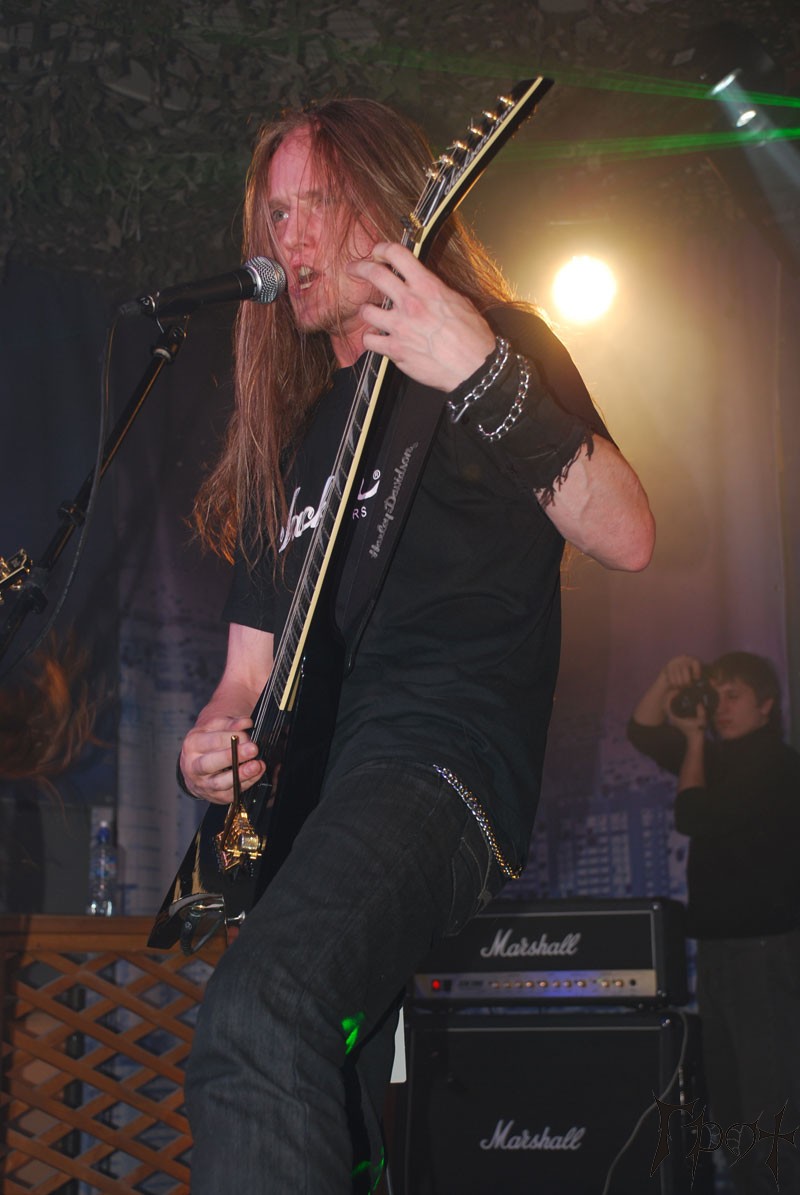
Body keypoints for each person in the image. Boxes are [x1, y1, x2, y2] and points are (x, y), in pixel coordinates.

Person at [179, 96, 655, 1194]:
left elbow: (628, 534)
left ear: (393, 207)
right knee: (332, 1108)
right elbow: (243, 678)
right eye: (276, 214)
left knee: (259, 1011)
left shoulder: (495, 346)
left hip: (438, 766)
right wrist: (210, 743)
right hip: (314, 803)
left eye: (318, 205)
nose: (290, 237)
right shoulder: (298, 440)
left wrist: (479, 367)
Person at [628, 652, 800, 1194]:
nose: (720, 707)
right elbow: (642, 730)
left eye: (734, 696)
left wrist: (695, 741)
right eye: (715, 694)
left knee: (769, 1106)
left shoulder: (776, 766)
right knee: (729, 1104)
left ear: (766, 706)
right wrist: (667, 677)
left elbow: (693, 814)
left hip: (764, 951)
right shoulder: (718, 759)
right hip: (721, 952)